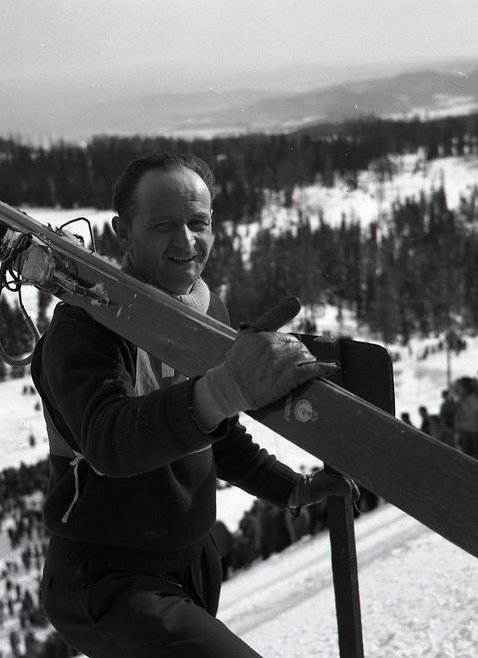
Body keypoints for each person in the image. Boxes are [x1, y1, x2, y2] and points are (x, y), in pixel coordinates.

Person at [32, 152, 357, 657]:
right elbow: (109, 441)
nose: (186, 242)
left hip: (191, 563)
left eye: (198, 223)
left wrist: (293, 489)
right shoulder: (85, 327)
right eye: (162, 226)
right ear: (124, 231)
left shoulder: (206, 311)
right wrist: (225, 387)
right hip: (107, 577)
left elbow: (215, 431)